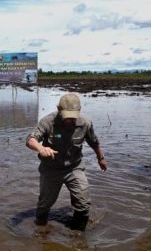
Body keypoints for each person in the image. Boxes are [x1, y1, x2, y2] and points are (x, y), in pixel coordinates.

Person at [26, 93, 107, 231]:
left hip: (74, 167)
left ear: (79, 111)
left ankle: (77, 235)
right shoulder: (48, 122)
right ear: (59, 109)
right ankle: (40, 231)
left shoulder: (85, 123)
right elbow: (30, 140)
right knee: (45, 204)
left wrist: (101, 158)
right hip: (51, 169)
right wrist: (40, 148)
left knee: (83, 204)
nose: (70, 120)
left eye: (73, 116)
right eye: (67, 116)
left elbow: (94, 142)